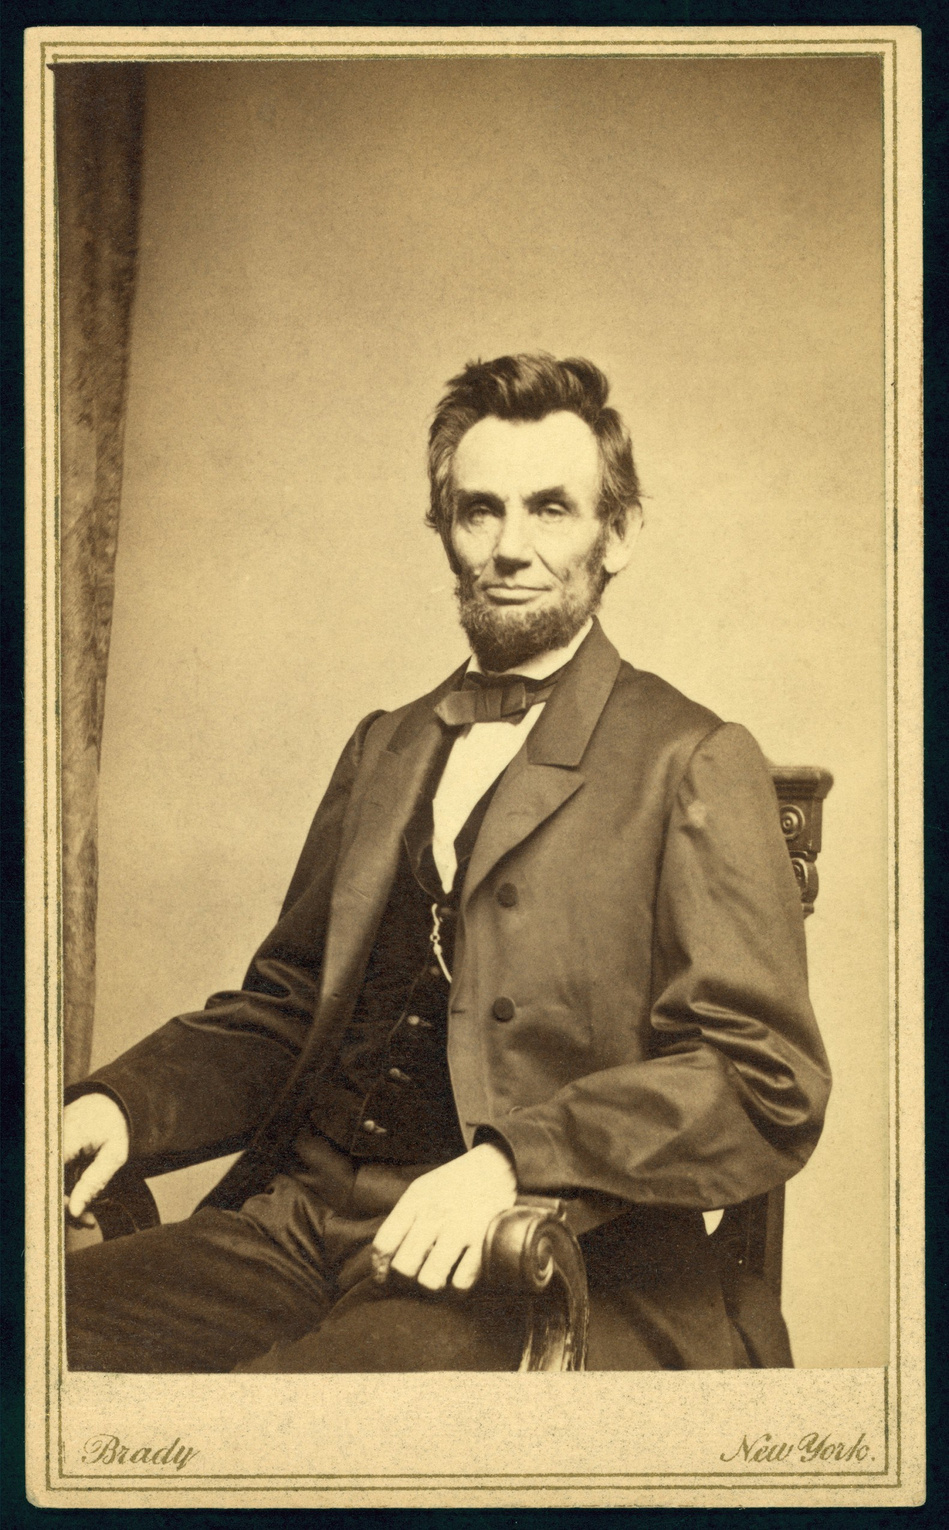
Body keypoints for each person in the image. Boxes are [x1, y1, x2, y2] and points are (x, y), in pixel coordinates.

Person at [63, 352, 831, 1373]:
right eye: (480, 511)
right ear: (446, 531)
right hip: (309, 1221)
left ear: (620, 533)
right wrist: (122, 1100)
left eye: (551, 509)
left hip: (552, 1259)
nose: (511, 548)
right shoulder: (385, 746)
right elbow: (292, 1008)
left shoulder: (692, 759)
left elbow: (761, 1080)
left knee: (292, 1425)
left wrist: (515, 1160)